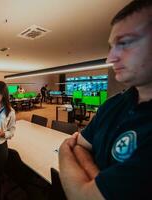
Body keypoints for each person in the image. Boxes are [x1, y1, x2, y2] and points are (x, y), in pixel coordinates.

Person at [58, 1, 152, 199]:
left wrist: (64, 150)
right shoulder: (113, 103)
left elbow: (82, 195)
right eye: (111, 46)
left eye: (124, 43)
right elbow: (82, 146)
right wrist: (99, 178)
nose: (110, 58)